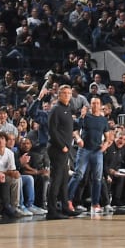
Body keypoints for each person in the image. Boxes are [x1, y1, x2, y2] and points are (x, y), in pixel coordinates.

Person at [45, 83, 76, 218]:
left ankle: (64, 207)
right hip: (57, 149)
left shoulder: (67, 109)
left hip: (65, 149)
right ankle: (51, 210)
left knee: (64, 179)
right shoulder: (56, 109)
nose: (67, 96)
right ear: (59, 94)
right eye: (64, 93)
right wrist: (62, 145)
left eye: (69, 93)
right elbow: (52, 130)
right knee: (56, 180)